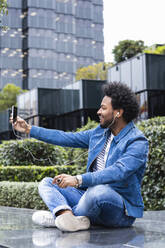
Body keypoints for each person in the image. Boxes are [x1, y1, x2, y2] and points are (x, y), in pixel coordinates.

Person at [11, 82, 149, 232]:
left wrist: (78, 179)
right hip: (89, 200)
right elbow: (65, 138)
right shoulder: (99, 133)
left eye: (103, 108)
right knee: (48, 183)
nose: (98, 112)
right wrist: (29, 129)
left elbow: (118, 171)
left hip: (119, 209)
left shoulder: (137, 141)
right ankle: (66, 216)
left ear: (118, 113)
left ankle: (59, 216)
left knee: (97, 191)